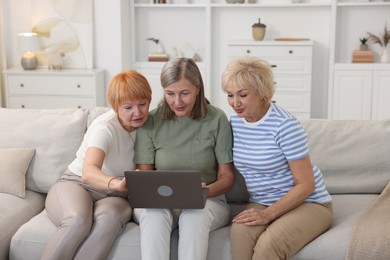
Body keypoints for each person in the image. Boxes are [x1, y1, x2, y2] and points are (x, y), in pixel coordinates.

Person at [221, 56, 333, 260]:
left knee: (268, 247)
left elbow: (306, 184)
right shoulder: (235, 123)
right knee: (239, 232)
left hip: (309, 202)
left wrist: (268, 214)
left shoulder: (285, 126)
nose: (235, 103)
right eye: (230, 95)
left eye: (243, 95)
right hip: (262, 201)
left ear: (262, 93)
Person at [41, 70, 152, 260]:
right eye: (128, 107)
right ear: (116, 107)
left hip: (116, 196)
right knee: (77, 220)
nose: (138, 112)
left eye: (142, 104)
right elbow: (89, 172)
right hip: (76, 184)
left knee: (110, 218)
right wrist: (116, 183)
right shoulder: (105, 127)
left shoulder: (149, 126)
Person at [133, 57, 235, 260]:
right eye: (170, 94)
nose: (177, 102)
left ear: (197, 89)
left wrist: (204, 192)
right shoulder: (150, 121)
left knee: (194, 216)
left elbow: (227, 177)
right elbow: (144, 176)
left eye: (185, 93)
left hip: (209, 201)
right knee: (153, 216)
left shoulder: (217, 119)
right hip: (158, 202)